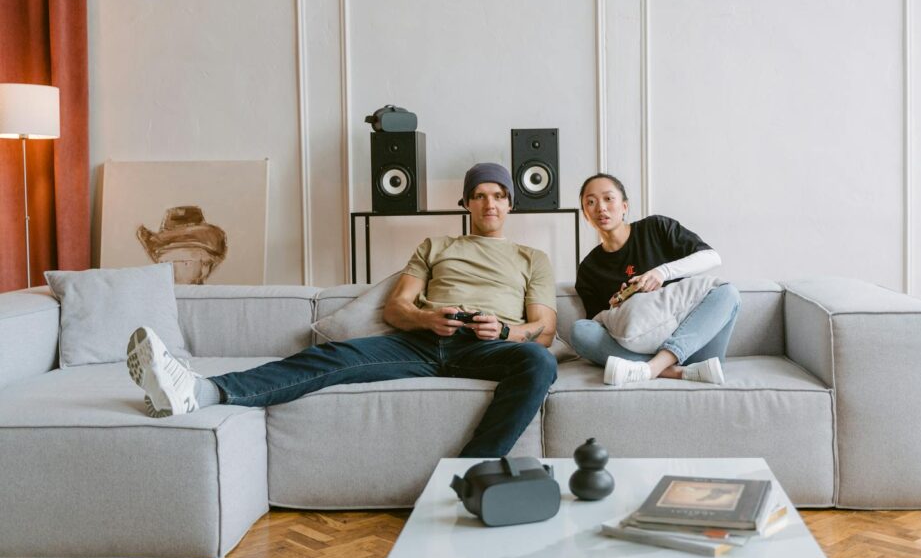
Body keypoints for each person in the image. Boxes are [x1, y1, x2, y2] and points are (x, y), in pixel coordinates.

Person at [125, 163, 558, 458]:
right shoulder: (436, 247)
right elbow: (396, 308)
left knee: (538, 362)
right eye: (480, 196)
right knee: (329, 358)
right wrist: (428, 318)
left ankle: (470, 474)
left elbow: (545, 330)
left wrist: (504, 331)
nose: (490, 205)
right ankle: (201, 392)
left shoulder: (531, 258)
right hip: (425, 341)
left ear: (510, 203)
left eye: (499, 196)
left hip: (488, 348)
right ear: (466, 204)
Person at [572, 173, 740, 386]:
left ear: (624, 206)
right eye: (591, 202)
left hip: (696, 346)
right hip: (651, 350)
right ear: (586, 214)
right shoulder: (589, 269)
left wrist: (661, 273)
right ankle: (675, 372)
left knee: (729, 293)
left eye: (608, 198)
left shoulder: (656, 228)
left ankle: (653, 368)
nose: (601, 208)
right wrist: (619, 306)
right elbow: (597, 325)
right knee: (580, 331)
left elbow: (712, 257)